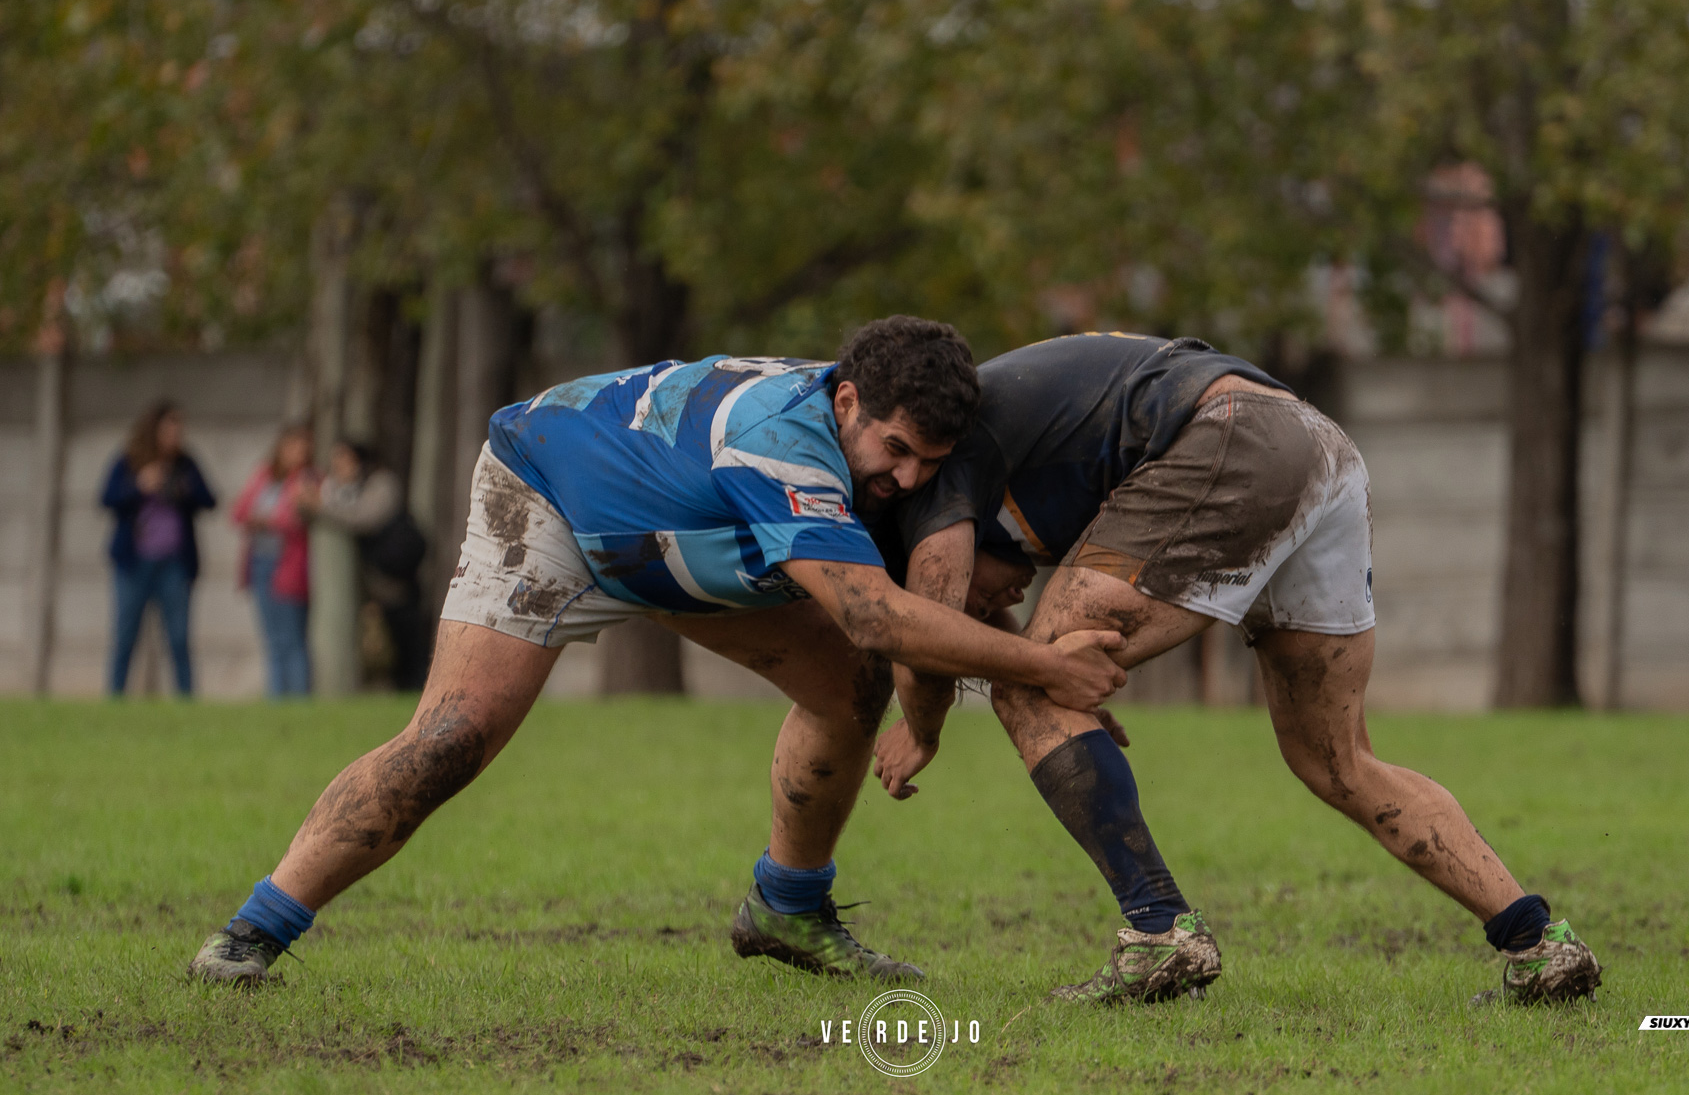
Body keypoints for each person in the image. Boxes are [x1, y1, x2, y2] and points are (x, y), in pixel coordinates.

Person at [188, 316, 1128, 985]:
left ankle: (788, 907)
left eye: (931, 460)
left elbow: (910, 620)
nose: (911, 478)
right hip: (553, 498)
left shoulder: (861, 439)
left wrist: (996, 683)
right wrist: (1048, 668)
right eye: (898, 450)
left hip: (682, 543)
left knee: (851, 686)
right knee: (453, 738)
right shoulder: (781, 443)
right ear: (846, 401)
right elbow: (879, 614)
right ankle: (252, 931)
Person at [869, 332, 1603, 1006]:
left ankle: (1160, 933)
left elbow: (926, 635)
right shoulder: (1002, 447)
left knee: (1028, 681)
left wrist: (922, 731)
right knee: (1336, 760)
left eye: (973, 597)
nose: (994, 602)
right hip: (1315, 446)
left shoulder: (930, 483)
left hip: (1233, 440)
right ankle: (1539, 944)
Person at [99, 400, 216, 696]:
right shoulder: (129, 460)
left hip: (174, 563)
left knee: (178, 637)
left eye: (179, 429)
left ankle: (186, 701)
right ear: (154, 430)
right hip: (134, 562)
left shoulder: (185, 463)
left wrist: (183, 489)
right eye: (170, 429)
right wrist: (139, 486)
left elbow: (209, 500)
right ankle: (115, 698)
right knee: (125, 635)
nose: (176, 435)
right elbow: (107, 498)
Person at [303, 441, 431, 690]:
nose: (339, 467)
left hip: (397, 576)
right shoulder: (338, 489)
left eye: (344, 460)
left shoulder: (382, 484)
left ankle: (416, 686)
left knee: (408, 639)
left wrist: (321, 507)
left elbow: (363, 517)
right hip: (370, 580)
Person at [232, 424, 317, 698]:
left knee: (293, 638)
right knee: (272, 640)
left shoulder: (309, 478)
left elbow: (295, 519)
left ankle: (299, 701)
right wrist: (261, 519)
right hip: (261, 562)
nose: (298, 453)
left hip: (290, 566)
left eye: (302, 447)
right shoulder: (264, 475)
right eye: (292, 446)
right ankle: (277, 700)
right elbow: (239, 511)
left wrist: (266, 520)